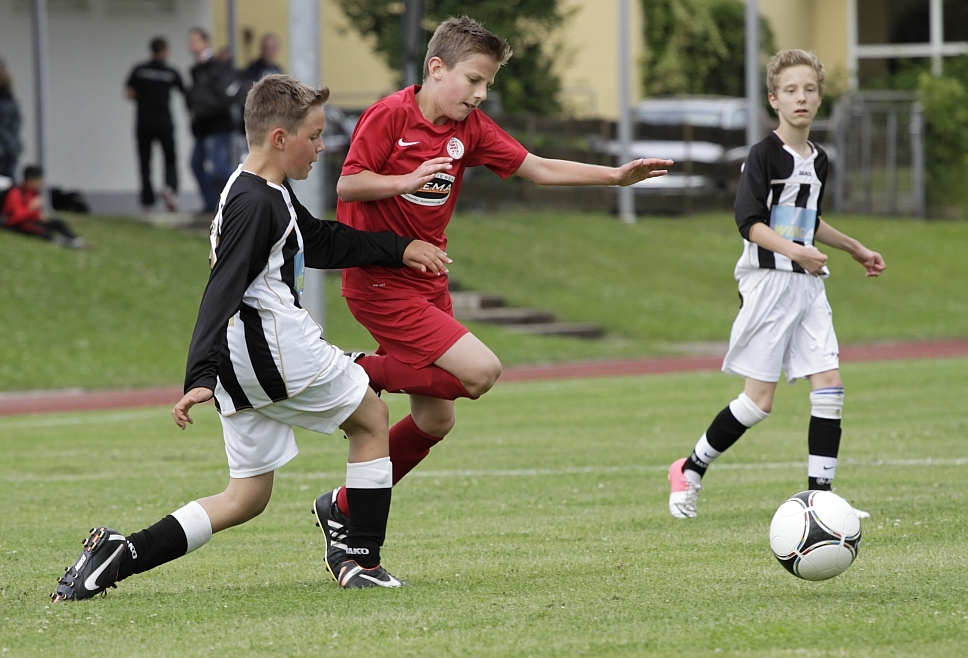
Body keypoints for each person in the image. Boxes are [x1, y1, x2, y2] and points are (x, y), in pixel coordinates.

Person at [51, 74, 454, 601]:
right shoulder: (256, 203)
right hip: (276, 354)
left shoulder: (259, 190)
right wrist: (198, 375)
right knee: (372, 418)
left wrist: (397, 248)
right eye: (314, 136)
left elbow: (317, 239)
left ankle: (121, 554)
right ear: (280, 138)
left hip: (242, 365)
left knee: (246, 497)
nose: (321, 147)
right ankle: (362, 559)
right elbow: (222, 287)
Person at [311, 16, 673, 579]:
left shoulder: (471, 129)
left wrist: (615, 176)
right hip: (379, 281)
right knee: (479, 372)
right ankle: (355, 369)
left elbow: (539, 168)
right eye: (474, 79)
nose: (480, 94)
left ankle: (343, 505)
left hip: (429, 282)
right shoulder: (389, 116)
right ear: (436, 69)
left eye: (488, 84)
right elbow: (347, 183)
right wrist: (404, 181)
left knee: (435, 420)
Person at [666, 50, 885, 520]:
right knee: (758, 402)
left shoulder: (820, 159)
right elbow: (750, 222)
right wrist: (796, 253)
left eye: (809, 89)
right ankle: (689, 468)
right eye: (790, 90)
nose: (800, 98)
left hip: (808, 286)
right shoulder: (762, 155)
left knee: (829, 386)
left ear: (820, 98)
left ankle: (821, 499)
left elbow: (807, 219)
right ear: (774, 99)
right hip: (767, 284)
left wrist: (854, 248)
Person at [125, 37, 185, 212]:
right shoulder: (170, 72)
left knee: (145, 161)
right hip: (164, 121)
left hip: (144, 121)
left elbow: (129, 92)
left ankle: (147, 200)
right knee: (170, 157)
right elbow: (184, 91)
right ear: (165, 50)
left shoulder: (140, 70)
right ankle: (169, 188)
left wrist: (143, 98)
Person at [186, 27, 237, 214]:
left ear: (205, 42)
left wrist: (205, 107)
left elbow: (221, 96)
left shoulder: (215, 67)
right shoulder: (197, 69)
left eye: (194, 41)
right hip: (203, 127)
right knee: (196, 164)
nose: (191, 45)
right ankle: (212, 206)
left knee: (219, 167)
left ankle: (242, 198)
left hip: (217, 126)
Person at [0, 164, 85, 247]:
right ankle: (62, 243)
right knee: (41, 231)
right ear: (31, 180)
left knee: (58, 223)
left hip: (32, 221)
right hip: (19, 224)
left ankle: (77, 240)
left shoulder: (33, 192)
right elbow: (13, 218)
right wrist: (30, 208)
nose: (41, 183)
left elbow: (34, 214)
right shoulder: (15, 193)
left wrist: (39, 216)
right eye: (39, 180)